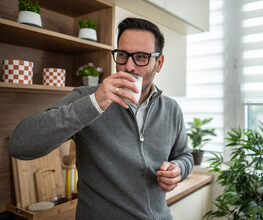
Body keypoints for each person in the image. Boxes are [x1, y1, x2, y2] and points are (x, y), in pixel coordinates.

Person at [8, 17, 194, 219]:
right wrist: (94, 104)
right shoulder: (86, 98)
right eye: (122, 55)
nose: (128, 66)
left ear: (159, 63)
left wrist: (178, 169)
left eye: (141, 57)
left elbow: (185, 155)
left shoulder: (171, 109)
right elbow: (19, 145)